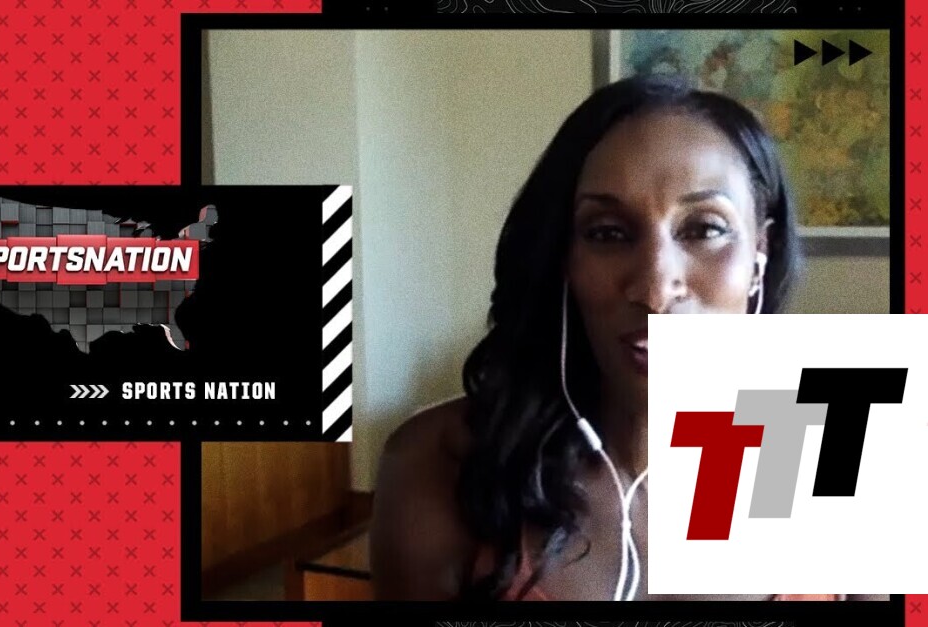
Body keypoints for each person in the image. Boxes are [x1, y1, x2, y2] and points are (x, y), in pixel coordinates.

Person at [369, 75, 887, 602]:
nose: (656, 289)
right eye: (608, 233)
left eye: (705, 229)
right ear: (565, 260)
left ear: (760, 254)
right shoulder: (437, 466)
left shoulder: (851, 454)